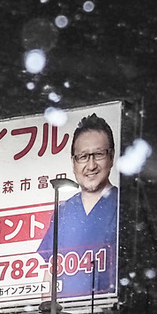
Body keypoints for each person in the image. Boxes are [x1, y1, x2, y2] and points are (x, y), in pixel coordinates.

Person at [35, 112, 119, 301]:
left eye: (98, 154)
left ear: (111, 156)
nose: (91, 165)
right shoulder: (64, 211)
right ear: (73, 163)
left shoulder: (122, 205)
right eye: (83, 156)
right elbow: (50, 272)